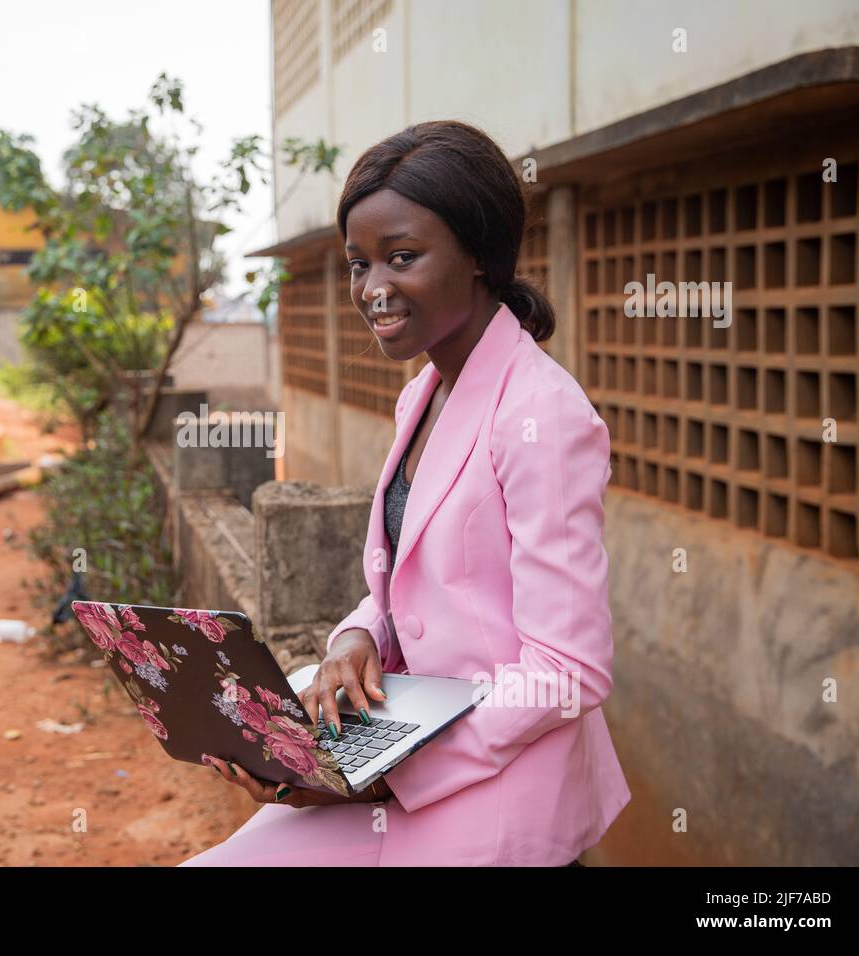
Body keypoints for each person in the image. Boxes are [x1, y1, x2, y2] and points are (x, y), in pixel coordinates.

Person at [180, 120, 631, 866]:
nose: (373, 289)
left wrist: (390, 773)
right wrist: (356, 638)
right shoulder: (423, 392)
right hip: (399, 751)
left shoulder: (540, 416)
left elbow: (567, 670)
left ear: (481, 254)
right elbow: (411, 594)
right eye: (360, 264)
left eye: (403, 257)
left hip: (497, 776)